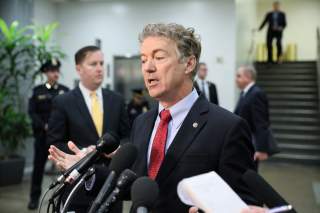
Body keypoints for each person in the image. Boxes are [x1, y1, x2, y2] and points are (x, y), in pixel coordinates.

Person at [49, 23, 260, 212]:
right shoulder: (143, 122)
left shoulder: (227, 127)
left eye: (159, 58)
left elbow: (246, 202)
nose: (148, 67)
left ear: (188, 64)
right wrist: (87, 171)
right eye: (143, 60)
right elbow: (133, 184)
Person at [47, 46, 130, 212]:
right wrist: (83, 153)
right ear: (79, 69)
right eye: (93, 64)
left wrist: (118, 148)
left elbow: (127, 137)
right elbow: (55, 142)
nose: (100, 68)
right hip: (78, 184)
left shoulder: (116, 100)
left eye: (101, 63)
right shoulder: (63, 102)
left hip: (110, 183)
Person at [27, 59, 69, 210]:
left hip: (60, 138)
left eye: (57, 70)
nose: (55, 74)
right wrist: (43, 125)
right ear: (46, 72)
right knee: (38, 169)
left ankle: (64, 199)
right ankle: (34, 198)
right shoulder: (38, 91)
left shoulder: (65, 90)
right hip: (42, 137)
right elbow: (32, 112)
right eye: (52, 71)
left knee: (65, 170)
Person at [234, 65, 278, 169]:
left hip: (251, 146)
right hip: (243, 144)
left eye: (238, 76)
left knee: (249, 176)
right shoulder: (245, 93)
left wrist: (261, 149)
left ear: (248, 77)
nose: (236, 79)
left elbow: (261, 123)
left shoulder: (256, 94)